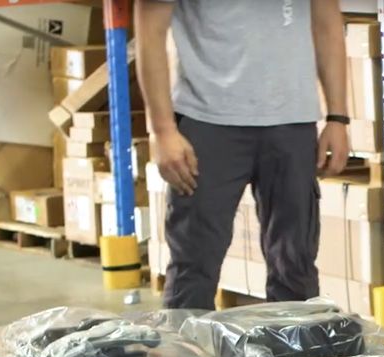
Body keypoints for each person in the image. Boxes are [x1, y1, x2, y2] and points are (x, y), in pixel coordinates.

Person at [135, 0, 350, 310]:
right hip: (208, 121)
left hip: (292, 123)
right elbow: (149, 30)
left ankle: (297, 342)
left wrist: (338, 118)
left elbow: (327, 22)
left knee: (296, 265)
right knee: (193, 267)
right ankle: (185, 343)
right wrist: (162, 130)